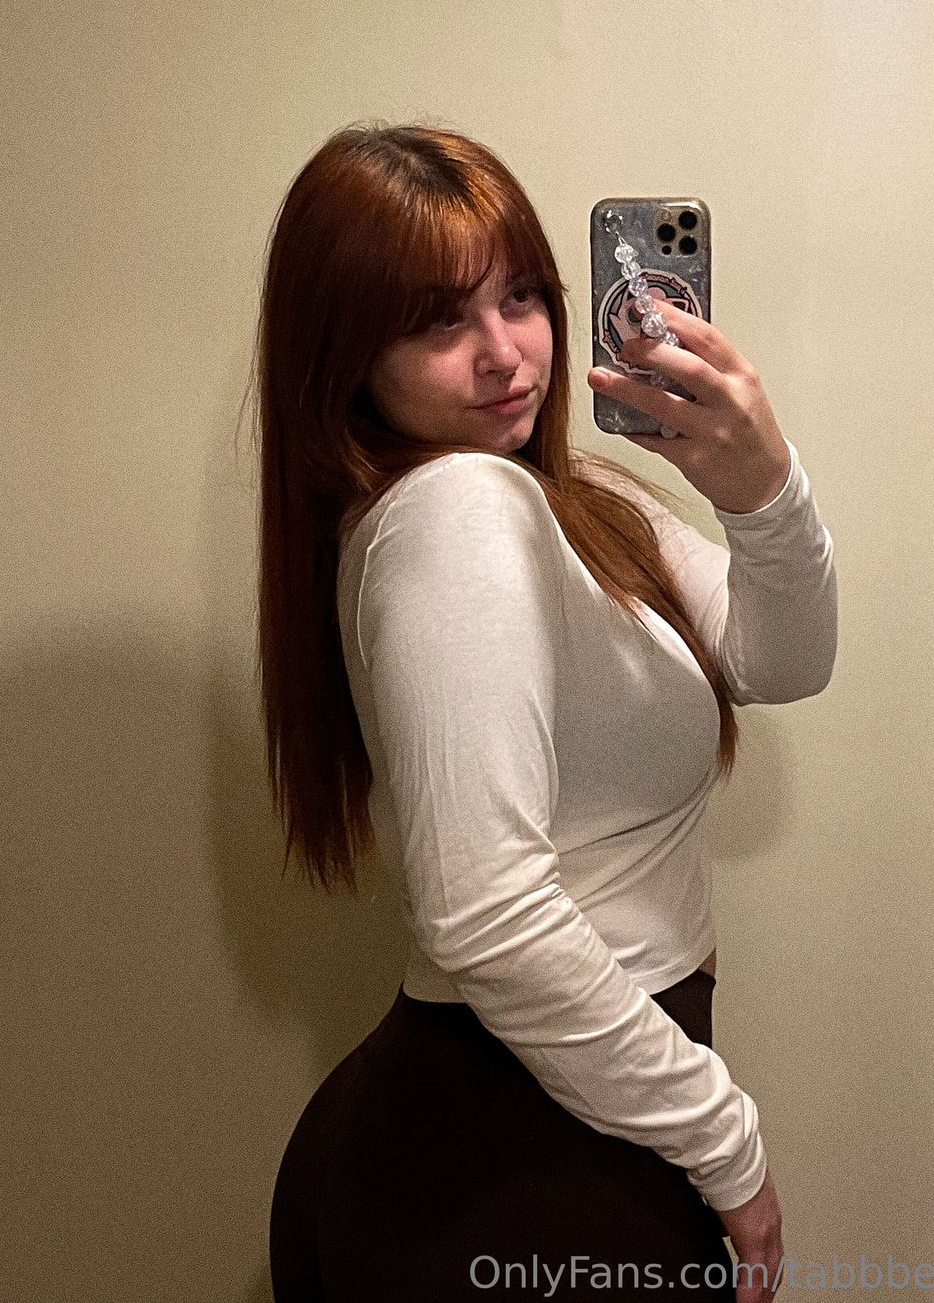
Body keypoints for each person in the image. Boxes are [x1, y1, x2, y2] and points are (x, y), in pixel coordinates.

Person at [253, 122, 838, 1300]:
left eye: (520, 296)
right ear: (345, 357)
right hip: (519, 1158)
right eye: (438, 321)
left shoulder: (574, 506)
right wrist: (726, 1140)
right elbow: (485, 913)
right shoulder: (459, 509)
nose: (504, 352)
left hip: (520, 1128)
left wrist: (762, 490)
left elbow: (781, 659)